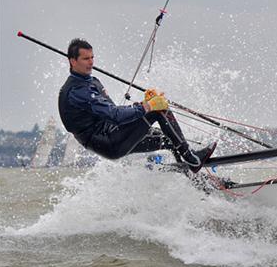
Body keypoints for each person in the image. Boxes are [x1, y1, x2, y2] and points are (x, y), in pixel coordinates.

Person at [58, 38, 215, 172]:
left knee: (170, 138)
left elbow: (113, 111)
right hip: (109, 143)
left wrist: (142, 104)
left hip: (115, 133)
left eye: (92, 57)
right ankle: (192, 159)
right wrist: (148, 107)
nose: (91, 62)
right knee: (159, 110)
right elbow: (116, 115)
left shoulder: (92, 81)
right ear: (73, 61)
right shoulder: (76, 91)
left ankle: (199, 180)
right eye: (86, 59)